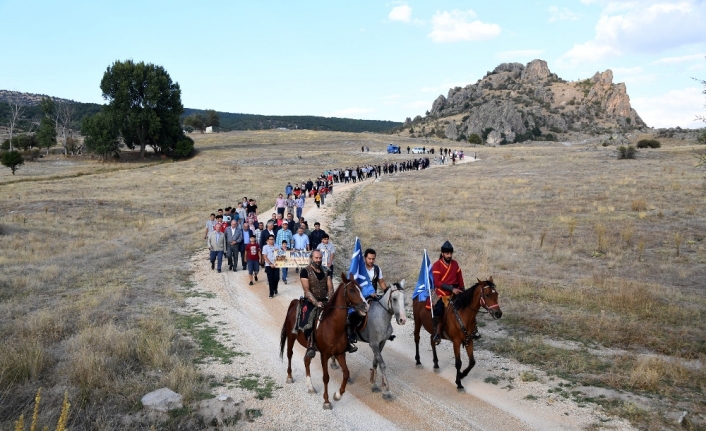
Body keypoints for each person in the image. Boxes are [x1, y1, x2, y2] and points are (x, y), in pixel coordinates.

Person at [430, 240, 473, 345]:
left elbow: (460, 278)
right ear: (442, 253)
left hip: (455, 291)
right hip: (441, 292)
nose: (449, 255)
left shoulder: (455, 264)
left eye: (450, 253)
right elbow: (437, 282)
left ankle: (471, 330)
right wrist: (451, 289)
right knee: (439, 309)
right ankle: (438, 333)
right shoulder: (436, 265)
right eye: (447, 253)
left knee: (468, 306)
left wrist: (462, 289)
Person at [300, 250, 334, 358]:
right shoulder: (305, 271)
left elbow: (330, 287)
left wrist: (331, 299)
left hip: (324, 299)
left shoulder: (327, 270)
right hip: (310, 300)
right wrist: (315, 302)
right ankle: (310, 345)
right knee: (309, 318)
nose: (318, 260)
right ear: (312, 258)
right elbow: (306, 290)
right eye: (316, 258)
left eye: (320, 258)